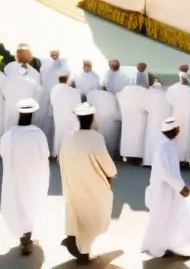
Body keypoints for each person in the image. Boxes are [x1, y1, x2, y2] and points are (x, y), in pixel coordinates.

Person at [59, 103, 118, 264]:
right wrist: (112, 173)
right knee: (96, 217)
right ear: (92, 119)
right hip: (92, 185)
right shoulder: (96, 137)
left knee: (76, 213)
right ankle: (81, 249)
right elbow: (106, 163)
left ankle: (76, 242)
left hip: (71, 182)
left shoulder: (68, 137)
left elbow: (61, 159)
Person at [141, 118, 190, 260]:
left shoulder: (166, 145)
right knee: (161, 217)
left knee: (168, 217)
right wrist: (181, 186)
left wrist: (179, 186)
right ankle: (157, 249)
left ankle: (161, 246)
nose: (179, 131)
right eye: (177, 128)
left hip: (168, 189)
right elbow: (164, 171)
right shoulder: (165, 147)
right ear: (173, 130)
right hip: (163, 191)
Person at [0, 98, 50, 256]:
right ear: (33, 115)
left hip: (15, 178)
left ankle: (23, 236)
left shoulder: (9, 135)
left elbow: (3, 154)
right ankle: (27, 236)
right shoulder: (38, 134)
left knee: (18, 205)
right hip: (34, 178)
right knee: (31, 204)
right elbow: (45, 155)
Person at [165, 65, 190, 167]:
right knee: (188, 137)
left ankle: (178, 160)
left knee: (179, 137)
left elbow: (168, 105)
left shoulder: (172, 90)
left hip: (177, 116)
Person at [49, 71, 81, 158]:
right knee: (70, 133)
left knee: (59, 133)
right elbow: (77, 105)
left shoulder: (54, 89)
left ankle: (57, 153)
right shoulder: (74, 91)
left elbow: (53, 102)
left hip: (58, 115)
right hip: (70, 116)